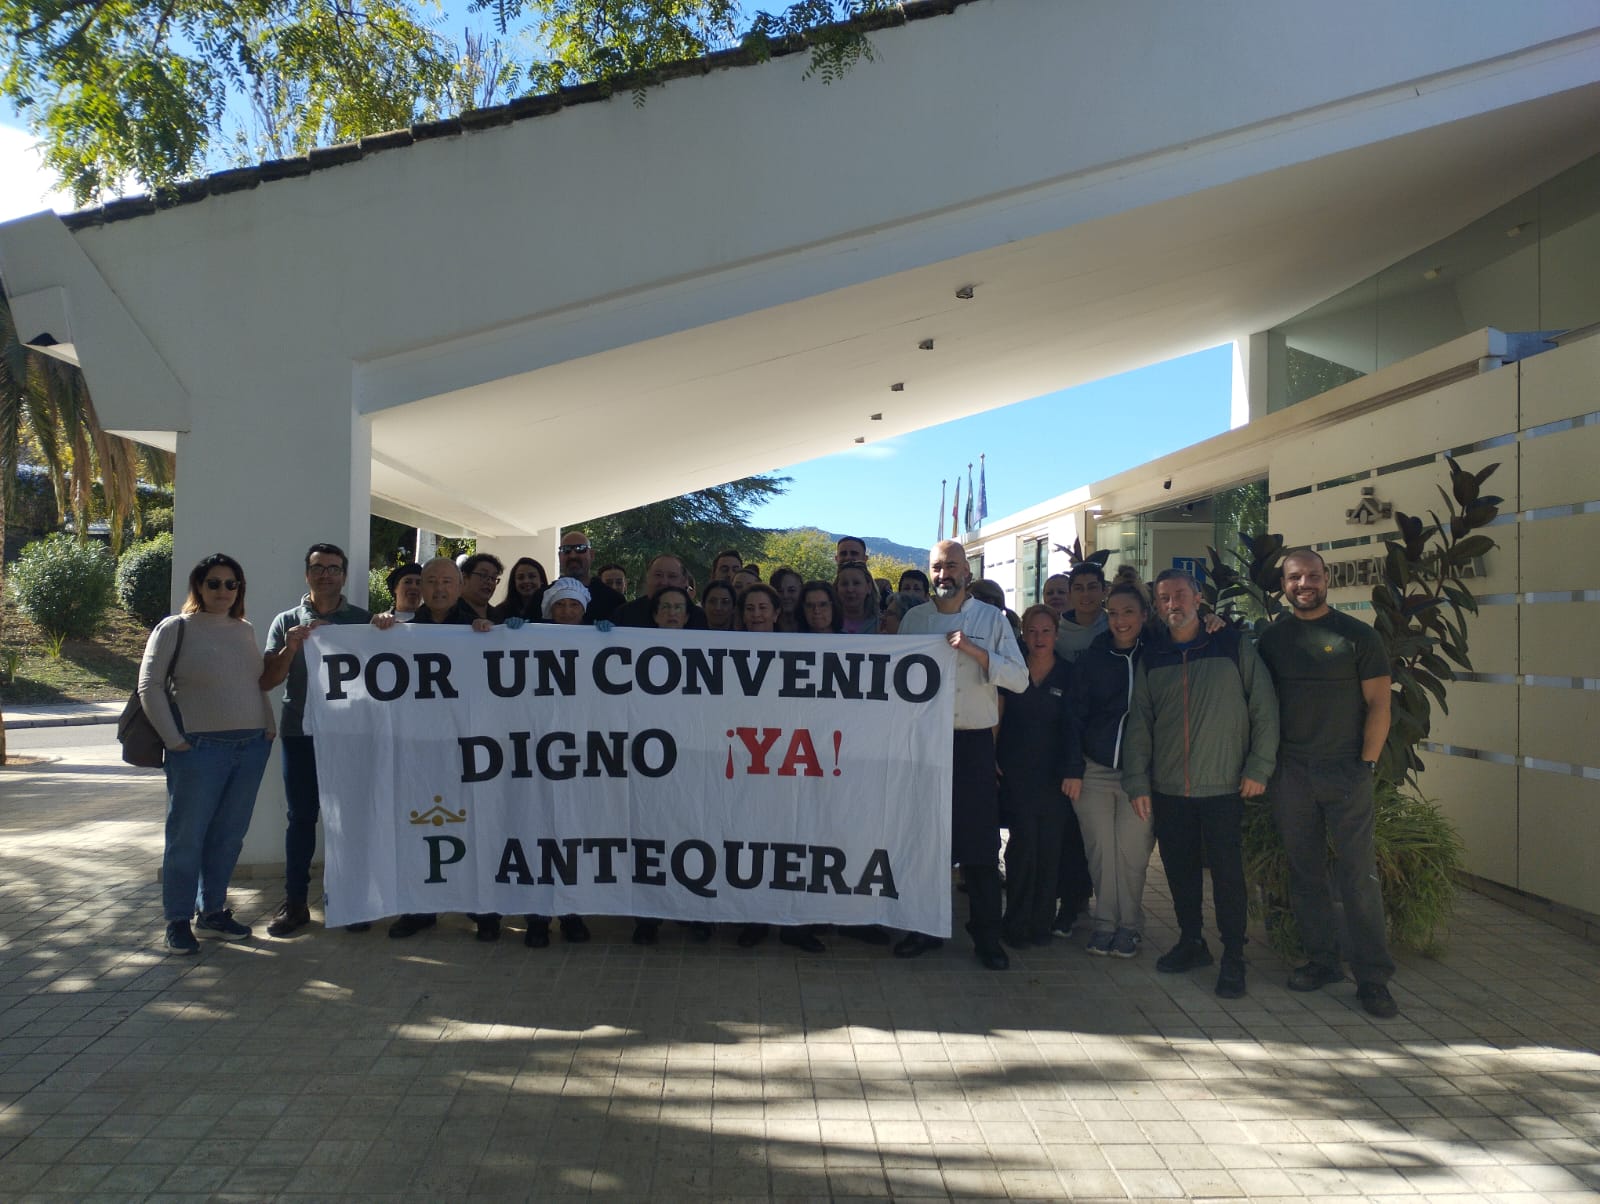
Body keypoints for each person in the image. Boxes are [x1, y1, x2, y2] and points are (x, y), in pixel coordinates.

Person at [1123, 569, 1279, 999]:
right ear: (1157, 606)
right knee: (1180, 870)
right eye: (1164, 598)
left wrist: (1259, 767)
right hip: (1170, 787)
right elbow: (1140, 725)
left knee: (1228, 875)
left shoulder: (1231, 644)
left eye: (1180, 595)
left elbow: (1263, 708)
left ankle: (1234, 955)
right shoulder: (1152, 656)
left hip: (1225, 785)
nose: (1173, 604)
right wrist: (1138, 780)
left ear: (1198, 599)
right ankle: (1192, 941)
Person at [1257, 549, 1399, 1019]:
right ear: (1283, 583)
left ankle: (1373, 978)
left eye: (1312, 576)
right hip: (1291, 773)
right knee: (1306, 873)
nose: (1304, 584)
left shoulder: (1358, 637)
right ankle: (1322, 961)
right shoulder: (1271, 639)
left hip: (1345, 771)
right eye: (1295, 577)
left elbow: (1380, 705)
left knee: (1358, 876)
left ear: (1326, 579)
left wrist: (1366, 764)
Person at [896, 540, 1027, 970]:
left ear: (967, 572)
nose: (943, 573)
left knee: (979, 847)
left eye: (952, 565)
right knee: (924, 841)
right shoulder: (914, 620)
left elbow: (1020, 680)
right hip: (924, 743)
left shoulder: (992, 620)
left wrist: (974, 650)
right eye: (937, 567)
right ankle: (923, 929)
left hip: (971, 743)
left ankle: (987, 937)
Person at [138, 553, 275, 954]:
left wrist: (268, 727)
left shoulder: (244, 629)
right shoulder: (175, 627)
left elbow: (255, 684)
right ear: (198, 586)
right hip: (198, 750)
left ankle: (212, 912)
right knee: (187, 838)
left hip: (250, 747)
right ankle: (177, 919)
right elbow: (150, 686)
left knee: (228, 837)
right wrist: (174, 740)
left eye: (231, 584)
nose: (223, 591)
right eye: (214, 583)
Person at [376, 558, 496, 940]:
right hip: (420, 745)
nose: (440, 589)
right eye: (431, 581)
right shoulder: (401, 630)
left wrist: (490, 636)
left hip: (472, 742)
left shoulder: (481, 628)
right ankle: (419, 907)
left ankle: (484, 906)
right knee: (418, 821)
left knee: (477, 823)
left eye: (448, 581)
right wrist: (381, 631)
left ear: (460, 586)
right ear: (421, 588)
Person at [259, 543, 372, 937]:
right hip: (299, 734)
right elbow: (267, 681)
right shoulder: (287, 620)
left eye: (334, 568)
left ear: (345, 575)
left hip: (349, 736)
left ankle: (352, 900)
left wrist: (388, 629)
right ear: (307, 574)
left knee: (351, 819)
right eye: (318, 568)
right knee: (302, 819)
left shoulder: (362, 620)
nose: (326, 575)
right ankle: (294, 903)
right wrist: (290, 648)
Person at [1063, 581, 1158, 958]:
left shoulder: (1159, 653)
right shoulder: (1092, 658)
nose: (1120, 621)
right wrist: (1073, 768)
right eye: (1113, 613)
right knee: (1100, 851)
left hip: (1143, 774)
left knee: (1131, 853)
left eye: (1128, 612)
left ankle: (1130, 926)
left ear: (1145, 615)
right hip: (1095, 771)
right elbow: (1073, 717)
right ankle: (1105, 924)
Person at [996, 605, 1079, 948]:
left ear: (1056, 634)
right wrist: (991, 758)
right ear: (1023, 634)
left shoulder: (1070, 675)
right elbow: (997, 717)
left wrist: (1074, 771)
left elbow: (1076, 728)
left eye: (1046, 631)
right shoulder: (1013, 672)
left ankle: (1041, 923)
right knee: (1022, 849)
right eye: (1032, 631)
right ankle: (1015, 923)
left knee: (1050, 851)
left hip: (1056, 779)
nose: (1038, 638)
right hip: (1016, 775)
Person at [539, 529, 625, 623]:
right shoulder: (540, 596)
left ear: (591, 555)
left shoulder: (614, 599)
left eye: (580, 549)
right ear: (560, 556)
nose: (573, 555)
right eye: (566, 550)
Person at [613, 554, 707, 628]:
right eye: (658, 575)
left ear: (684, 581)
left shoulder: (700, 617)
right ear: (647, 578)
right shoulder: (624, 614)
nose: (664, 582)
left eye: (672, 576)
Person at [1054, 563, 1108, 662]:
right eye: (1078, 588)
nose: (1085, 594)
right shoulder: (1055, 635)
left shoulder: (1116, 627)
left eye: (1092, 587)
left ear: (1105, 592)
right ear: (1069, 595)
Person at [492, 556, 549, 622]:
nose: (526, 581)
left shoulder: (552, 610)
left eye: (532, 576)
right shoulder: (500, 612)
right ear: (514, 582)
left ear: (541, 580)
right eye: (520, 577)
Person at [834, 561, 880, 634]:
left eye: (856, 583)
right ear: (836, 588)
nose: (850, 589)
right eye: (844, 584)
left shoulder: (881, 623)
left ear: (868, 588)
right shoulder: (826, 622)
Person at [459, 552, 503, 621]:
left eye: (494, 578)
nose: (490, 582)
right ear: (464, 578)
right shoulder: (447, 613)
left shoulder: (500, 616)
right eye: (483, 575)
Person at [770, 566, 803, 632]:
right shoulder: (766, 625)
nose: (785, 596)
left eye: (791, 590)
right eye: (780, 591)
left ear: (801, 590)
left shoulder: (812, 623)